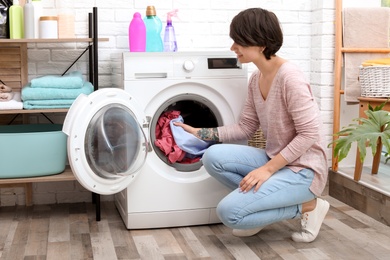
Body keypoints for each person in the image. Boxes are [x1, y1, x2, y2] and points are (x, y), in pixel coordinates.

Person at [174, 7, 329, 243]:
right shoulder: (256, 78)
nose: (233, 47)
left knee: (229, 213)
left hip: (303, 171)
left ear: (261, 44)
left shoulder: (291, 78)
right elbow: (246, 127)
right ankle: (255, 207)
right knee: (212, 156)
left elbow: (309, 133)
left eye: (239, 41)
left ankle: (308, 206)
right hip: (275, 159)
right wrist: (199, 132)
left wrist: (268, 169)